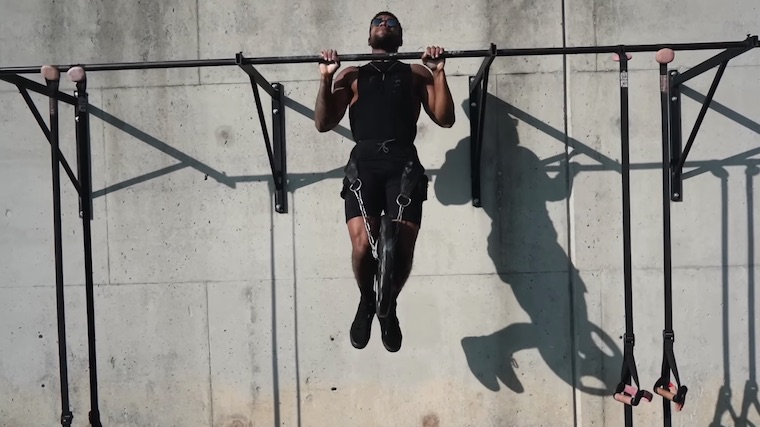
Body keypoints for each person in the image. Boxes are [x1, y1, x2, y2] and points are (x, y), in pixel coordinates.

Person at [314, 11, 455, 352]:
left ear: (400, 38)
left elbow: (445, 118)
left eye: (392, 24)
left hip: (403, 162)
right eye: (379, 21)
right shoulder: (352, 75)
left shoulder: (415, 73)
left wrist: (439, 73)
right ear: (369, 36)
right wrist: (325, 79)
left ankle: (387, 307)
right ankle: (368, 303)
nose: (385, 25)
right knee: (362, 246)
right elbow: (322, 122)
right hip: (364, 164)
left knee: (403, 246)